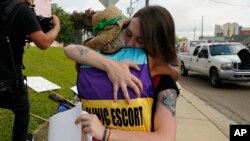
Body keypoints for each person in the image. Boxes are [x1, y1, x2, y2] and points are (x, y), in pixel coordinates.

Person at [64, 5, 179, 141]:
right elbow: (70, 49)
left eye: (140, 40)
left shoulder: (163, 80)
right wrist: (111, 66)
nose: (129, 43)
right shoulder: (100, 64)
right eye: (128, 34)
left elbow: (166, 138)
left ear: (156, 43)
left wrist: (105, 133)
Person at [0, 0, 60, 141]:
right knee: (22, 111)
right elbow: (44, 43)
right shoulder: (22, 10)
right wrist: (57, 27)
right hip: (8, 83)